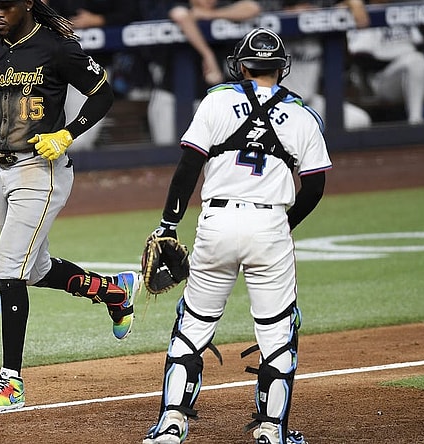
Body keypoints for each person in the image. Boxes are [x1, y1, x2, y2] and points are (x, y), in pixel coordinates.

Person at [143, 28, 330, 444]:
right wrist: (284, 226)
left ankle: (172, 423)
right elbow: (315, 185)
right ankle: (271, 430)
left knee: (193, 324)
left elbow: (188, 167)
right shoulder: (303, 115)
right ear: (282, 69)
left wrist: (169, 224)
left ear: (241, 66)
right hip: (270, 226)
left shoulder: (216, 100)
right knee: (277, 332)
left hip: (217, 224)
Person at [0, 0, 140, 413]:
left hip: (41, 169)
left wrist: (67, 133)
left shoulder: (56, 46)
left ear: (26, 4)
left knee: (9, 266)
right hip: (0, 167)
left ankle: (11, 384)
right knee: (35, 268)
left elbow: (102, 94)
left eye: (4, 6)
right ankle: (113, 291)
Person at [146, 0, 262, 145]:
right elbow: (180, 15)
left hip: (211, 99)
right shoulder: (177, 5)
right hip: (171, 97)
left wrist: (210, 15)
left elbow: (252, 7)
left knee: (215, 153)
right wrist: (207, 55)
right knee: (169, 153)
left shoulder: (218, 9)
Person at [45, 0, 141, 151]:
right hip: (56, 66)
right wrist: (58, 22)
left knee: (80, 141)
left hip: (96, 64)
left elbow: (131, 13)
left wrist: (99, 20)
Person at [279, 0, 372, 129]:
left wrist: (353, 3)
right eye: (296, 5)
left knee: (360, 120)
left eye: (308, 5)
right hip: (279, 104)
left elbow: (343, 9)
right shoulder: (274, 35)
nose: (305, 9)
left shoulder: (319, 27)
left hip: (310, 102)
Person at [345, 0, 424, 125]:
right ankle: (416, 122)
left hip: (416, 77)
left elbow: (420, 45)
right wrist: (401, 59)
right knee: (415, 61)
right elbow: (360, 57)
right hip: (383, 80)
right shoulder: (363, 12)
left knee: (418, 61)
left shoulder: (403, 9)